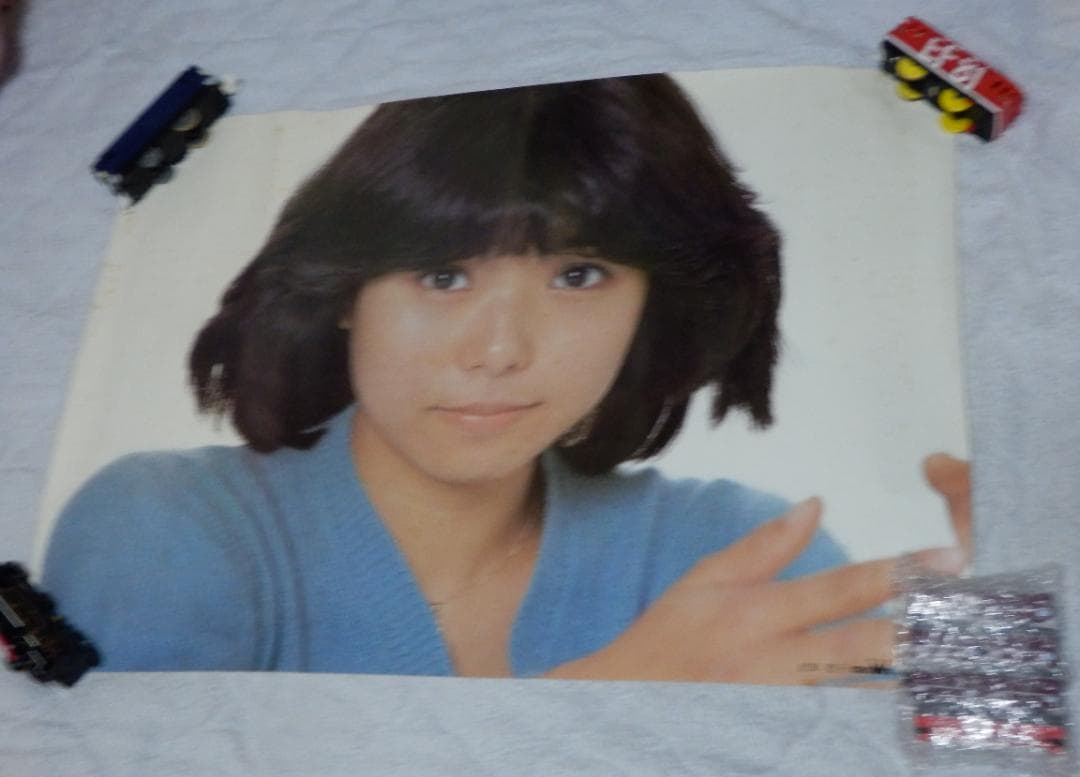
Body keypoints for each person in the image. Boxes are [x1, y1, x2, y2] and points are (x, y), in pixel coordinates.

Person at [41, 74, 971, 682]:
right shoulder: (164, 528)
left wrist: (1027, 614)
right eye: (442, 276)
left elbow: (971, 758)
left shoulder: (730, 552)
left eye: (580, 276)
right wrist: (619, 698)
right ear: (344, 291)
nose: (498, 351)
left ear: (650, 305)